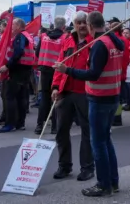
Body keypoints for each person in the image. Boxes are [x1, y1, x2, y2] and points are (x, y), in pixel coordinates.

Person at [54, 11, 124, 197]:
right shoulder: (112, 41)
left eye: (85, 24)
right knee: (105, 141)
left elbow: (93, 74)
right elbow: (122, 45)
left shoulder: (100, 44)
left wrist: (67, 70)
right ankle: (112, 181)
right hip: (111, 96)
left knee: (98, 143)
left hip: (100, 98)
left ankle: (103, 184)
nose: (83, 27)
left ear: (91, 26)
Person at [51, 11, 95, 181]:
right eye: (78, 22)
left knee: (87, 131)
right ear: (74, 24)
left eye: (84, 22)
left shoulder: (95, 41)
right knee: (61, 130)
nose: (82, 25)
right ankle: (64, 165)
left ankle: (87, 167)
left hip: (85, 91)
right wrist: (55, 87)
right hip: (65, 91)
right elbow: (59, 65)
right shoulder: (68, 41)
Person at [0, 18, 34, 133]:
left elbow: (19, 51)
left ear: (18, 26)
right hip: (26, 69)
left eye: (12, 25)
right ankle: (20, 123)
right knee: (21, 97)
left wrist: (7, 66)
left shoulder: (20, 36)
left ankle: (10, 124)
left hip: (18, 69)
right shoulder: (28, 35)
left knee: (10, 96)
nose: (10, 27)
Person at [34, 16, 67, 135]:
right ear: (63, 26)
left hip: (44, 69)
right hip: (57, 70)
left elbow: (37, 52)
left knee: (44, 98)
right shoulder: (64, 38)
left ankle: (39, 126)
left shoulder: (44, 36)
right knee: (55, 98)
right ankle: (54, 127)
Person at [107, 18, 130, 126]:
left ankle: (113, 118)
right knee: (119, 98)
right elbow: (126, 58)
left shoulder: (110, 40)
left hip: (112, 73)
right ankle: (117, 118)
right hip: (122, 73)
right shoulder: (124, 40)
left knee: (112, 98)